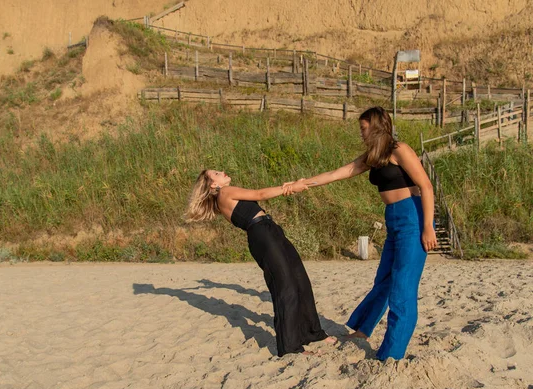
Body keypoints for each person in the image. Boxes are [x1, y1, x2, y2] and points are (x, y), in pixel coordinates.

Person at [284, 106, 437, 361]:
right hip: (394, 220)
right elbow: (338, 173)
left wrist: (428, 226)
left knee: (402, 288)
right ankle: (363, 329)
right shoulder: (374, 156)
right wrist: (303, 184)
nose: (361, 134)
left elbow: (426, 185)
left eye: (364, 129)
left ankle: (391, 354)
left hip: (413, 217)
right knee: (384, 279)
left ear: (376, 126)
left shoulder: (400, 150)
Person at [186, 170, 336, 357]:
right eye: (216, 173)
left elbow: (258, 195)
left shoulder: (226, 195)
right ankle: (290, 347)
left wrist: (287, 186)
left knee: (301, 280)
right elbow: (259, 194)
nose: (222, 172)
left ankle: (313, 333)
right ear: (213, 185)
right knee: (286, 287)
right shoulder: (225, 193)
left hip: (270, 230)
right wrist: (290, 188)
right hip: (262, 235)